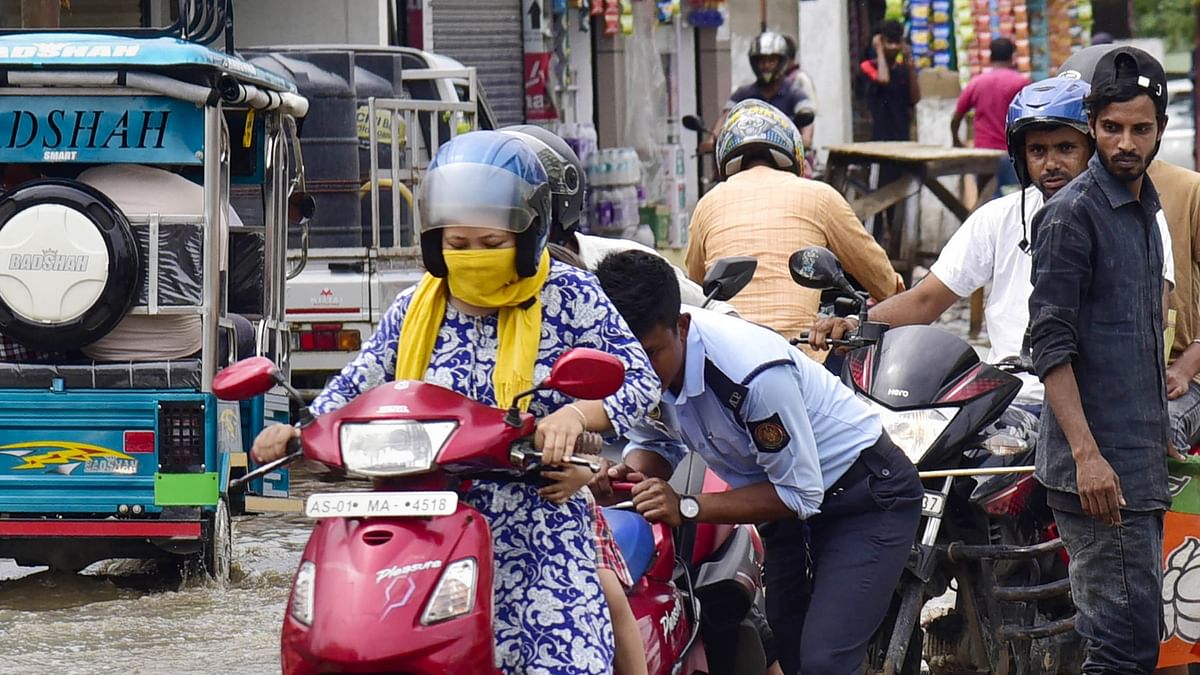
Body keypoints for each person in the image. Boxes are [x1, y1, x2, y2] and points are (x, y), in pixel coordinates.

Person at [251, 131, 663, 674]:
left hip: (537, 520)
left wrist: (573, 414)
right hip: (418, 524)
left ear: (527, 236)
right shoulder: (412, 309)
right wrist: (298, 428)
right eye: (458, 243)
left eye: (491, 244)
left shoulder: (569, 296)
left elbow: (638, 378)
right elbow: (358, 383)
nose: (473, 256)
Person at [592, 249, 923, 675]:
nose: (641, 374)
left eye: (651, 354)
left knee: (824, 663)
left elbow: (799, 493)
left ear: (682, 326)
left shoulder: (750, 374)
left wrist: (687, 506)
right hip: (782, 504)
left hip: (863, 497)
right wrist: (633, 474)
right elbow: (656, 441)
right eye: (626, 358)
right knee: (792, 651)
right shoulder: (642, 369)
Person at [810, 78, 1094, 404]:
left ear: (1091, 149)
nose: (1051, 164)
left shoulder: (1125, 220)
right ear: (1021, 157)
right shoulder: (999, 218)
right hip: (1017, 401)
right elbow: (926, 299)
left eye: (1066, 148)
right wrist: (856, 324)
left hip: (1094, 404)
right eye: (1037, 151)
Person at [1027, 45, 1172, 674]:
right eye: (1111, 128)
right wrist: (1088, 458)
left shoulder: (1144, 207)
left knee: (1137, 639)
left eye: (1140, 129)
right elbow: (1050, 345)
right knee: (1119, 647)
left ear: (1160, 129)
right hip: (1098, 473)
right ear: (1092, 126)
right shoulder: (1072, 214)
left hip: (1136, 465)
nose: (1125, 143)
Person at [685, 99, 903, 359]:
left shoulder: (707, 203)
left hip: (724, 360)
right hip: (798, 358)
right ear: (793, 151)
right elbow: (887, 286)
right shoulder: (819, 195)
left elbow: (696, 293)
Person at [76, 164, 250, 362]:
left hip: (96, 346)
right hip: (182, 348)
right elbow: (216, 290)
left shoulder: (85, 184)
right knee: (244, 330)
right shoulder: (203, 199)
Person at [699, 31, 816, 157]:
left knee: (805, 173)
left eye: (771, 61)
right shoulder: (743, 94)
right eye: (761, 61)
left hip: (787, 160)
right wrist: (712, 140)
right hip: (747, 159)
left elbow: (806, 119)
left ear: (781, 62)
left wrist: (805, 139)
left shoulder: (794, 93)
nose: (766, 66)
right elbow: (725, 118)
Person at [950, 37, 1032, 196]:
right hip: (1011, 153)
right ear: (1013, 57)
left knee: (985, 202)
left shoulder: (977, 82)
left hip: (983, 154)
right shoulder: (1021, 83)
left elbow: (956, 118)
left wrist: (956, 140)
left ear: (990, 57)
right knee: (1014, 202)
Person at [860, 19, 921, 142]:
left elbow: (915, 99)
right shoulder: (868, 66)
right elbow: (883, 79)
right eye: (889, 42)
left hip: (902, 137)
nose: (893, 47)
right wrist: (879, 50)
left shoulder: (904, 70)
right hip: (878, 137)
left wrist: (910, 66)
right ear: (881, 42)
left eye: (896, 42)